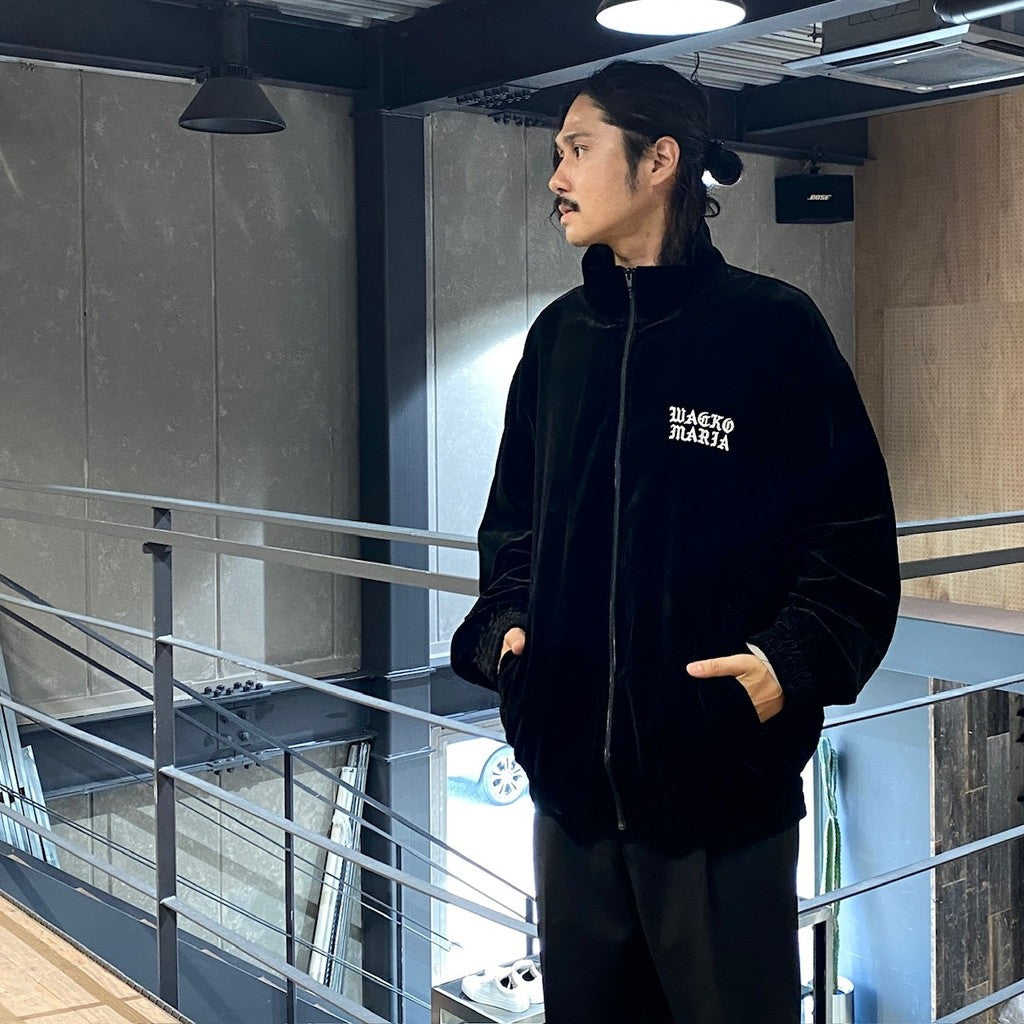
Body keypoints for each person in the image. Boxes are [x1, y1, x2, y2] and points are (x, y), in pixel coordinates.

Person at [449, 60, 901, 1024]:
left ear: (658, 161)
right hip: (572, 798)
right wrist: (509, 638)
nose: (556, 177)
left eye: (577, 149)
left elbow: (853, 543)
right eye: (557, 153)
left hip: (720, 802)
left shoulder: (772, 331)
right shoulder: (559, 340)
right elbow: (513, 524)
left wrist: (784, 667)